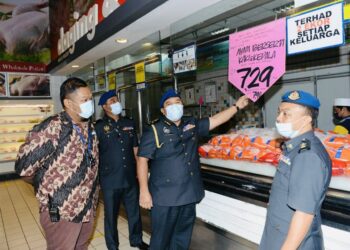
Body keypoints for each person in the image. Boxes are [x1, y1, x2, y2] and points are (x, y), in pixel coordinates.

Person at [137, 89, 249, 250]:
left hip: (188, 193)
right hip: (164, 197)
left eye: (177, 102)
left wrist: (236, 107)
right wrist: (144, 191)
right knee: (160, 241)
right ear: (163, 110)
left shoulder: (191, 123)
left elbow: (216, 119)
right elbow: (142, 160)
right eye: (169, 104)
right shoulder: (154, 130)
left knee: (182, 238)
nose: (174, 106)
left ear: (182, 105)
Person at [15, 77, 99, 250]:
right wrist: (50, 187)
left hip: (87, 206)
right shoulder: (52, 127)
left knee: (80, 246)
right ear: (68, 103)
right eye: (85, 100)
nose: (90, 103)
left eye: (90, 99)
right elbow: (23, 168)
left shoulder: (88, 126)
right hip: (62, 210)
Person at [259, 90, 332, 250]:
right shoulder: (294, 148)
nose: (278, 118)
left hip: (294, 243)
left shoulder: (308, 156)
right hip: (279, 235)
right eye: (279, 112)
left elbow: (304, 213)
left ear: (306, 120)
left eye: (286, 114)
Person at [95, 90, 148, 250]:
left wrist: (141, 172)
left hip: (130, 177)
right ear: (105, 106)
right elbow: (94, 155)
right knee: (110, 215)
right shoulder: (98, 127)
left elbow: (135, 150)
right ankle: (112, 246)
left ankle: (136, 240)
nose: (116, 102)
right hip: (110, 179)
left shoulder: (129, 123)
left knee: (134, 211)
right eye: (112, 100)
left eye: (116, 99)